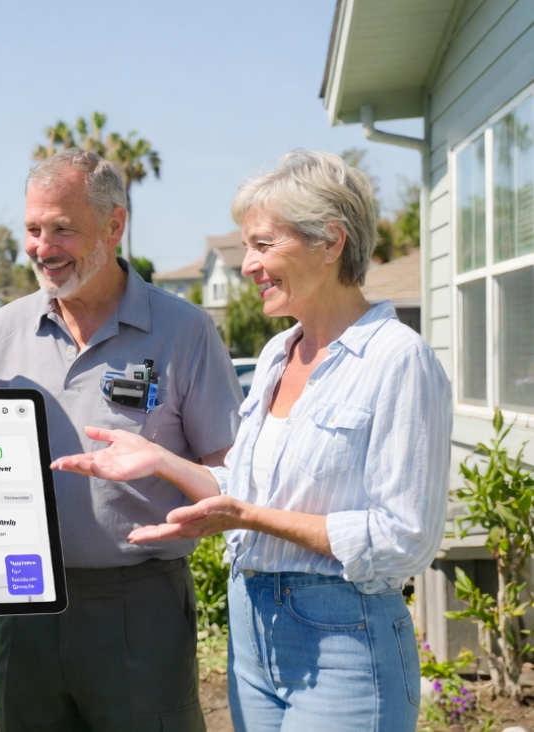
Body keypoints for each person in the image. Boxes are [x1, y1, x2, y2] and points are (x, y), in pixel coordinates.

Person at [53, 151, 451, 731]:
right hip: (252, 626)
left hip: (343, 634)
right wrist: (161, 460)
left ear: (331, 241)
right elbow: (242, 489)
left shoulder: (397, 359)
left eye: (263, 245)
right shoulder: (275, 354)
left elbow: (403, 538)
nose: (248, 267)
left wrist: (250, 518)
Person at [0, 149, 241, 731]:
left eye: (63, 229)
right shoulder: (0, 333)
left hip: (139, 605)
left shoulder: (184, 331)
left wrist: (189, 494)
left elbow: (231, 473)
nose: (43, 248)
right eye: (33, 229)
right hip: (25, 605)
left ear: (115, 225)